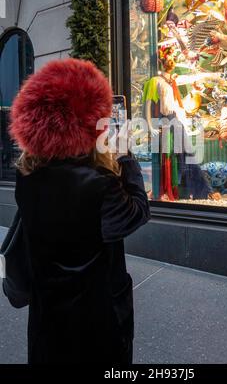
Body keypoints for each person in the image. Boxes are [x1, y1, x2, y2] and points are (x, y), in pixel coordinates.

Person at [9, 58, 150, 365]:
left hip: (47, 320)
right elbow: (138, 212)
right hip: (98, 325)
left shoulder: (27, 178)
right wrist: (125, 158)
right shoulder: (99, 184)